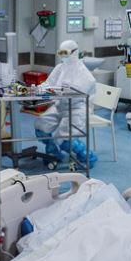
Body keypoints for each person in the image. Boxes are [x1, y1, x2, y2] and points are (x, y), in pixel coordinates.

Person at [35, 40, 97, 168]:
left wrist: (58, 91)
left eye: (66, 53)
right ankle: (53, 153)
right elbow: (49, 83)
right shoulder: (60, 68)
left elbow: (77, 93)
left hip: (77, 109)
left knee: (64, 139)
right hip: (60, 106)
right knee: (41, 126)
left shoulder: (84, 73)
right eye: (61, 53)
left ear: (74, 52)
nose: (63, 56)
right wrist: (38, 89)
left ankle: (87, 157)